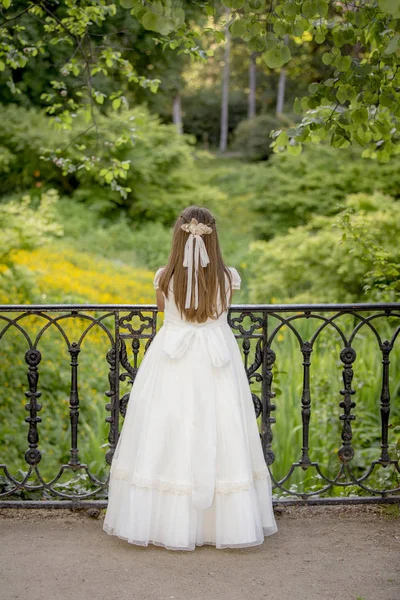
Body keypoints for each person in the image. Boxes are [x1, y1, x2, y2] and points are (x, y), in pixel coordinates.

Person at [102, 205, 278, 550]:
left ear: (177, 237)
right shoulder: (227, 278)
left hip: (172, 357)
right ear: (213, 240)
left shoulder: (164, 277)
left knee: (168, 430)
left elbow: (164, 310)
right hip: (216, 359)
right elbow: (216, 309)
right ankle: (219, 524)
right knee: (219, 428)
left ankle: (166, 521)